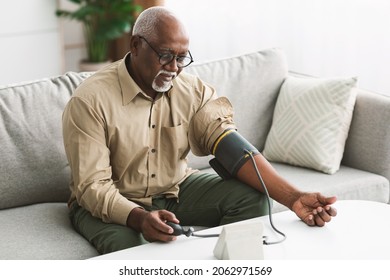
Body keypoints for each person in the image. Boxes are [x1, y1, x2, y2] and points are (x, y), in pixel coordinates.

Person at [62, 6, 337, 255]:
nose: (173, 68)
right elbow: (92, 187)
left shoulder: (192, 90)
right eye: (165, 55)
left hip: (174, 188)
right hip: (109, 201)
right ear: (136, 45)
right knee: (133, 249)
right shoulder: (90, 100)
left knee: (253, 200)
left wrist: (294, 198)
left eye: (182, 58)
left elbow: (232, 148)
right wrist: (138, 217)